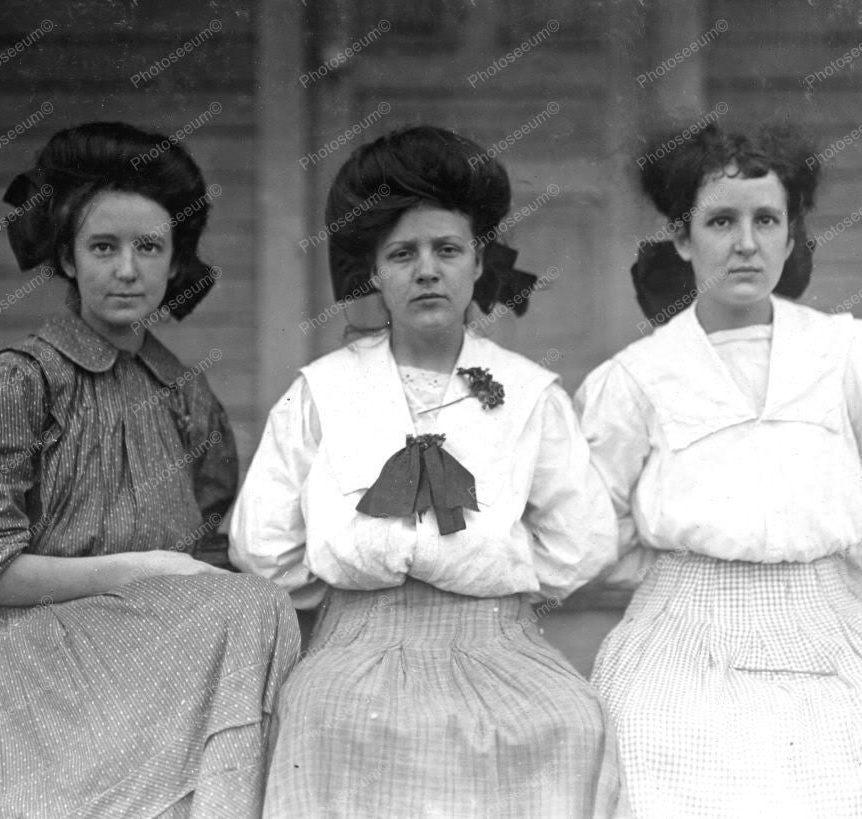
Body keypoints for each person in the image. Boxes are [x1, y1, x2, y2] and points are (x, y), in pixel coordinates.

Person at [0, 122, 299, 818]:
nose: (128, 269)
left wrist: (172, 575)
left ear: (176, 260)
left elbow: (207, 564)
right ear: (66, 257)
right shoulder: (22, 383)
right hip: (29, 679)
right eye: (103, 247)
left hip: (150, 682)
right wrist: (141, 567)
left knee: (259, 606)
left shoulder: (186, 398)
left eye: (149, 247)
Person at [230, 125, 623, 817]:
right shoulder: (322, 390)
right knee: (324, 719)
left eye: (447, 249)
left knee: (570, 722)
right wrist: (352, 592)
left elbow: (582, 537)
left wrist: (494, 579)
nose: (427, 270)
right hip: (357, 645)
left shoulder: (528, 393)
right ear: (373, 273)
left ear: (479, 261)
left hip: (497, 642)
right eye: (402, 254)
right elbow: (263, 541)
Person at [576, 121, 862, 817]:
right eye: (721, 220)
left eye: (767, 219)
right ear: (681, 237)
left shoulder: (843, 354)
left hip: (829, 636)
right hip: (678, 649)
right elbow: (589, 528)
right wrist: (688, 575)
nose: (745, 243)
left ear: (791, 235)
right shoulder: (636, 378)